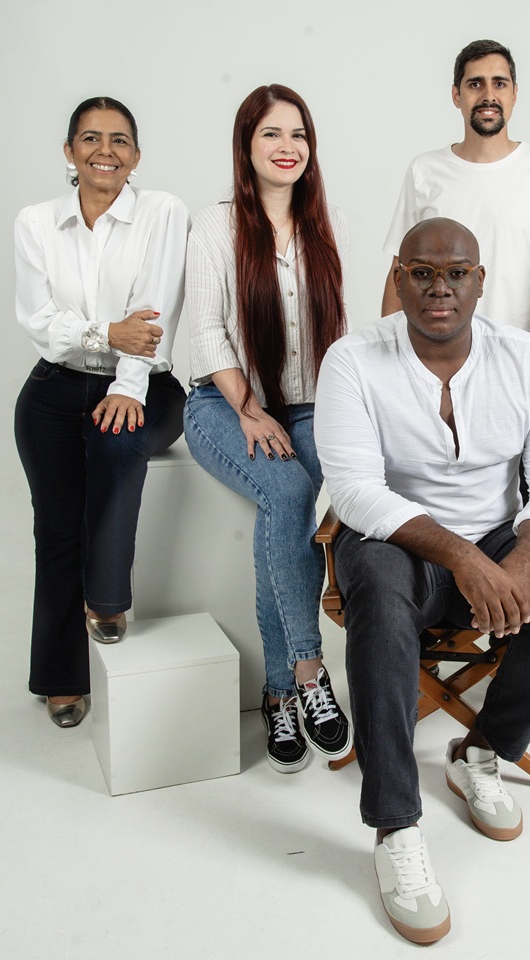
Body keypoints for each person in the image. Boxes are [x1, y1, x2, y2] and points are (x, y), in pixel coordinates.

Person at [316, 218, 530, 944]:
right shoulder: (352, 360)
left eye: (455, 274)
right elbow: (356, 492)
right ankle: (396, 827)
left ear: (480, 280)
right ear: (399, 277)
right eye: (421, 272)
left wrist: (520, 561)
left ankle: (482, 753)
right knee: (379, 594)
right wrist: (464, 561)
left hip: (500, 536)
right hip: (400, 541)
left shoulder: (529, 359)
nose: (438, 288)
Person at [182, 84, 352, 773]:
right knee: (287, 493)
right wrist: (249, 408)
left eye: (299, 134)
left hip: (308, 406)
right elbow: (206, 330)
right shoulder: (215, 225)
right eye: (271, 134)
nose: (288, 147)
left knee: (285, 516)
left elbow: (334, 335)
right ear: (246, 146)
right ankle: (310, 670)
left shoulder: (321, 226)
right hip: (221, 404)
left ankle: (277, 693)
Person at [13, 96, 189, 728]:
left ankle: (108, 597)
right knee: (56, 530)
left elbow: (152, 314)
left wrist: (127, 384)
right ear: (69, 151)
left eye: (119, 140)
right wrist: (107, 333)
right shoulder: (36, 223)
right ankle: (61, 677)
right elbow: (38, 321)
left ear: (136, 156)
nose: (104, 151)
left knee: (117, 442)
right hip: (54, 389)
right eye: (90, 138)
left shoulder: (162, 212)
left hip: (148, 385)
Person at [380, 39, 530, 362]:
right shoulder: (424, 171)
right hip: (434, 358)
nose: (488, 95)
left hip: (518, 357)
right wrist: (393, 362)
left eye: (499, 83)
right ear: (456, 95)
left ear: (514, 93)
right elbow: (400, 271)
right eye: (475, 84)